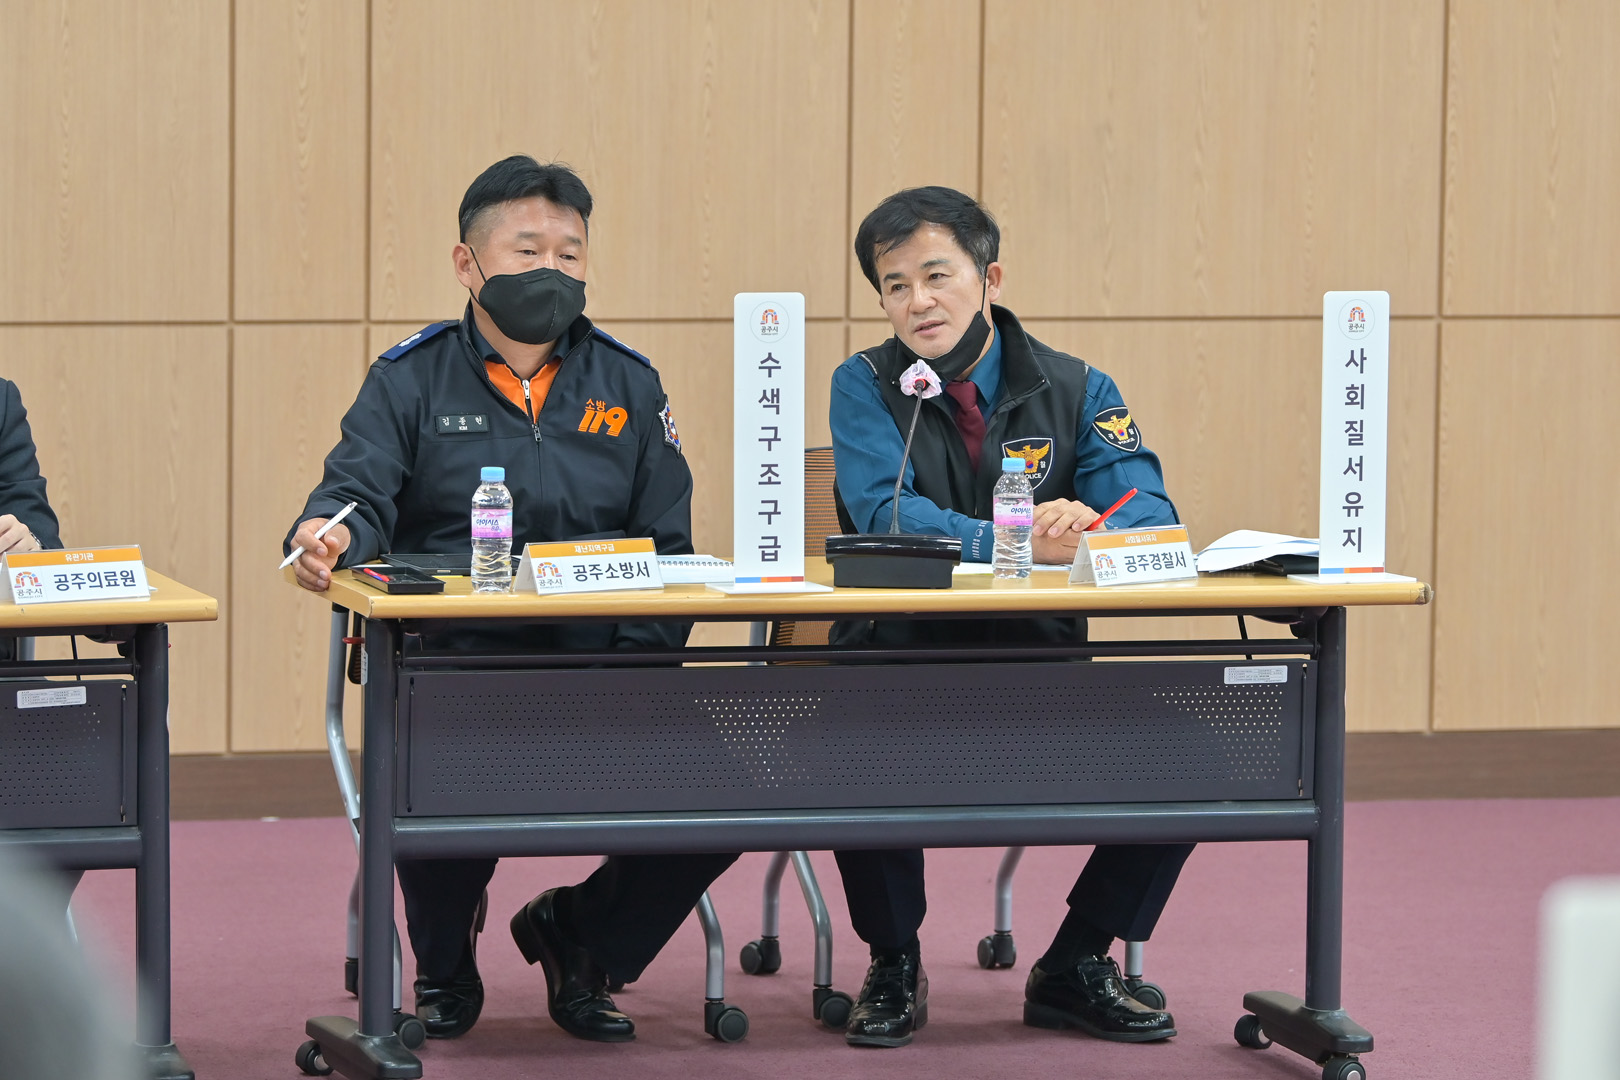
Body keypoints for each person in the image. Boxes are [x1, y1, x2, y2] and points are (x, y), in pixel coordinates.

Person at [287, 156, 736, 1044]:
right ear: (468, 264)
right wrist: (327, 534)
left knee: (730, 788)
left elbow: (668, 543)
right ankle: (444, 963)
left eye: (570, 254)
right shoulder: (409, 379)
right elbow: (358, 497)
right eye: (527, 252)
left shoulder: (629, 383)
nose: (552, 271)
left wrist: (640, 665)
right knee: (429, 765)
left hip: (606, 666)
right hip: (453, 671)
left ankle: (582, 937)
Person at [828, 186, 1195, 1047]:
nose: (918, 302)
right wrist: (1020, 539)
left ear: (989, 279)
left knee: (1193, 752)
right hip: (897, 664)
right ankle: (893, 959)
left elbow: (1149, 512)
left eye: (937, 276)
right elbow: (884, 511)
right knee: (850, 730)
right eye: (894, 286)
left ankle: (1076, 960)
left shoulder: (1076, 386)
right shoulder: (866, 383)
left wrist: (1092, 523)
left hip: (1041, 671)